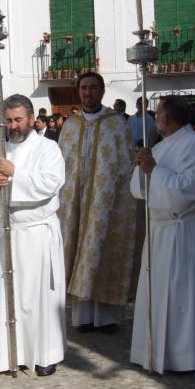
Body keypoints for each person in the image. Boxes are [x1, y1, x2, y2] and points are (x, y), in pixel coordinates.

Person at [0, 93, 66, 376]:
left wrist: (14, 176)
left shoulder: (48, 148)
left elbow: (49, 184)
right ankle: (9, 354)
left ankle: (44, 354)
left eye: (18, 120)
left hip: (37, 232)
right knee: (8, 295)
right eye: (8, 121)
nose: (13, 126)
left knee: (39, 297)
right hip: (8, 231)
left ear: (31, 119)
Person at [130, 95, 195, 374]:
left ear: (166, 119)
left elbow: (185, 192)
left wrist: (153, 170)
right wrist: (142, 167)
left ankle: (185, 355)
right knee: (155, 293)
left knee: (181, 295)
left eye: (157, 114)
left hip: (180, 230)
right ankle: (155, 351)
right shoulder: (162, 145)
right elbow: (139, 189)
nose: (155, 119)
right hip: (158, 231)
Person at [58, 72, 139, 334]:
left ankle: (107, 318)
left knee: (103, 252)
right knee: (77, 250)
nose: (88, 93)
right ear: (78, 91)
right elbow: (61, 165)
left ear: (102, 91)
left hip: (106, 205)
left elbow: (126, 165)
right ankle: (82, 317)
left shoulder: (117, 124)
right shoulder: (69, 126)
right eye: (83, 88)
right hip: (74, 204)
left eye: (93, 88)